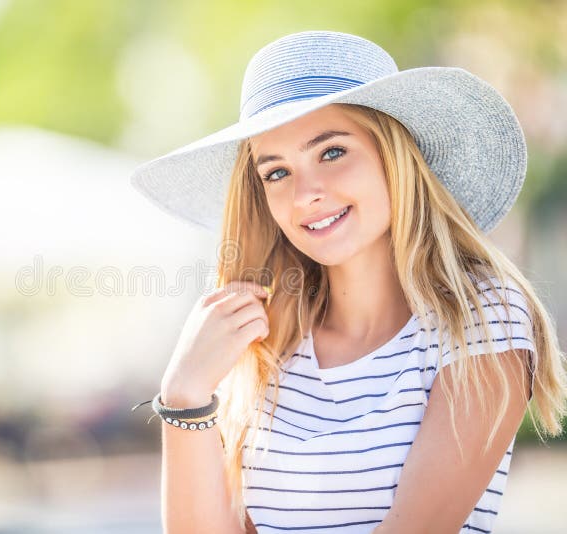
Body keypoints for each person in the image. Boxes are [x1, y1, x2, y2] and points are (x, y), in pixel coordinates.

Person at [129, 31, 567, 533]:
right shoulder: (265, 351)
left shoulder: (481, 315)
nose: (306, 195)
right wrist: (184, 394)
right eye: (276, 173)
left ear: (394, 155)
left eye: (332, 152)